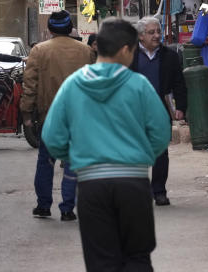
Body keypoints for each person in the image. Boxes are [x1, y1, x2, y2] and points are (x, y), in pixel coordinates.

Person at [42, 18, 171, 271]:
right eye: (133, 51)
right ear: (125, 50)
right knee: (137, 257)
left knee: (101, 262)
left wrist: (78, 157)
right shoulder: (139, 85)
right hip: (133, 183)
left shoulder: (73, 85)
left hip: (91, 184)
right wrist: (141, 155)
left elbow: (53, 138)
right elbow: (161, 132)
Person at [21, 10, 95, 221]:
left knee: (46, 161)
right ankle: (67, 208)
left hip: (50, 118)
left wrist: (26, 112)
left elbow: (30, 85)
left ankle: (43, 205)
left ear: (50, 29)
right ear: (70, 28)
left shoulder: (39, 51)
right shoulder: (86, 51)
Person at [130, 16, 188, 206]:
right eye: (151, 32)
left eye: (158, 31)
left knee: (160, 153)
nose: (157, 35)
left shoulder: (169, 56)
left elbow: (179, 82)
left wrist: (180, 107)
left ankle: (159, 192)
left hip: (160, 110)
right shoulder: (128, 56)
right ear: (140, 36)